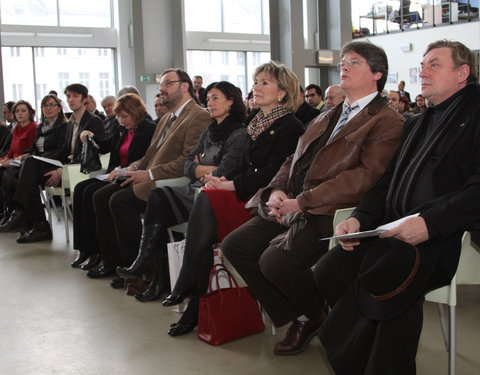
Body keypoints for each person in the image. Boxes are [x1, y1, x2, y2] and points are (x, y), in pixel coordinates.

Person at [222, 41, 405, 356]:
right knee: (234, 246)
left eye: (355, 62)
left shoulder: (387, 121)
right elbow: (292, 159)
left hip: (330, 211)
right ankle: (304, 311)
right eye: (343, 61)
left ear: (377, 74)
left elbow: (365, 177)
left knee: (274, 261)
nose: (344, 66)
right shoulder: (330, 114)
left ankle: (308, 314)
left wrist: (302, 201)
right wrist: (278, 190)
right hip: (296, 203)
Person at [314, 40, 480, 375]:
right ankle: (357, 357)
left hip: (450, 235)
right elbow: (386, 183)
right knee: (330, 270)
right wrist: (361, 218)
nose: (423, 72)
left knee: (393, 273)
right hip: (395, 228)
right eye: (422, 65)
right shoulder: (417, 122)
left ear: (463, 73)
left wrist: (429, 223)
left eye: (434, 64)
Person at [160, 61, 306, 337]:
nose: (257, 87)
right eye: (256, 82)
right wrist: (223, 182)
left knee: (207, 204)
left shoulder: (290, 126)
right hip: (247, 194)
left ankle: (188, 287)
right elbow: (241, 166)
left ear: (283, 93)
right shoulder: (256, 123)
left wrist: (228, 185)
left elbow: (271, 174)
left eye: (265, 83)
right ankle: (192, 297)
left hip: (266, 202)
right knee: (206, 212)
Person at [116, 80, 249, 300]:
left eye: (216, 98)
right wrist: (203, 168)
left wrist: (200, 167)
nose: (210, 103)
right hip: (195, 189)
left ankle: (152, 270)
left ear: (231, 102)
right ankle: (154, 272)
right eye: (208, 99)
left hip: (214, 196)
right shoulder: (209, 131)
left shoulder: (238, 134)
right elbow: (188, 165)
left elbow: (224, 171)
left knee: (158, 203)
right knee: (157, 201)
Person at [86, 69, 210, 279]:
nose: (161, 89)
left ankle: (138, 266)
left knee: (119, 200)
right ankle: (113, 261)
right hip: (149, 177)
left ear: (185, 86)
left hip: (168, 183)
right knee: (99, 195)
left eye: (168, 83)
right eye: (161, 84)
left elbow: (186, 161)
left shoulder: (198, 116)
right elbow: (149, 154)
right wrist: (132, 168)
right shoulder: (166, 117)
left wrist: (149, 174)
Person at [0, 84, 104, 243]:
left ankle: (27, 216)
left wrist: (60, 171)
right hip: (64, 166)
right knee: (29, 168)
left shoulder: (93, 121)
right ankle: (36, 222)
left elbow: (94, 154)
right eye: (69, 96)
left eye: (75, 96)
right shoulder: (70, 122)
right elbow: (63, 151)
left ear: (84, 99)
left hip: (79, 171)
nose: (71, 100)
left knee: (28, 168)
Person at [71, 93, 156, 270]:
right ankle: (88, 249)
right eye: (118, 116)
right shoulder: (122, 130)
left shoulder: (149, 130)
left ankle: (109, 257)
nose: (121, 120)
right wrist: (90, 136)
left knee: (95, 194)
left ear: (136, 112)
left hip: (130, 175)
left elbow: (145, 160)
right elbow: (106, 145)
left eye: (124, 116)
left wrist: (123, 170)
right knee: (81, 189)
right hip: (115, 174)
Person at [0, 94, 68, 227]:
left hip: (53, 164)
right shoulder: (41, 127)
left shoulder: (63, 126)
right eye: (45, 105)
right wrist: (24, 156)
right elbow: (33, 150)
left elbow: (62, 151)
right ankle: (33, 221)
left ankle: (20, 211)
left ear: (59, 108)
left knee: (20, 172)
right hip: (37, 164)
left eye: (52, 105)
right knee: (15, 173)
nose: (48, 108)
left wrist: (37, 158)